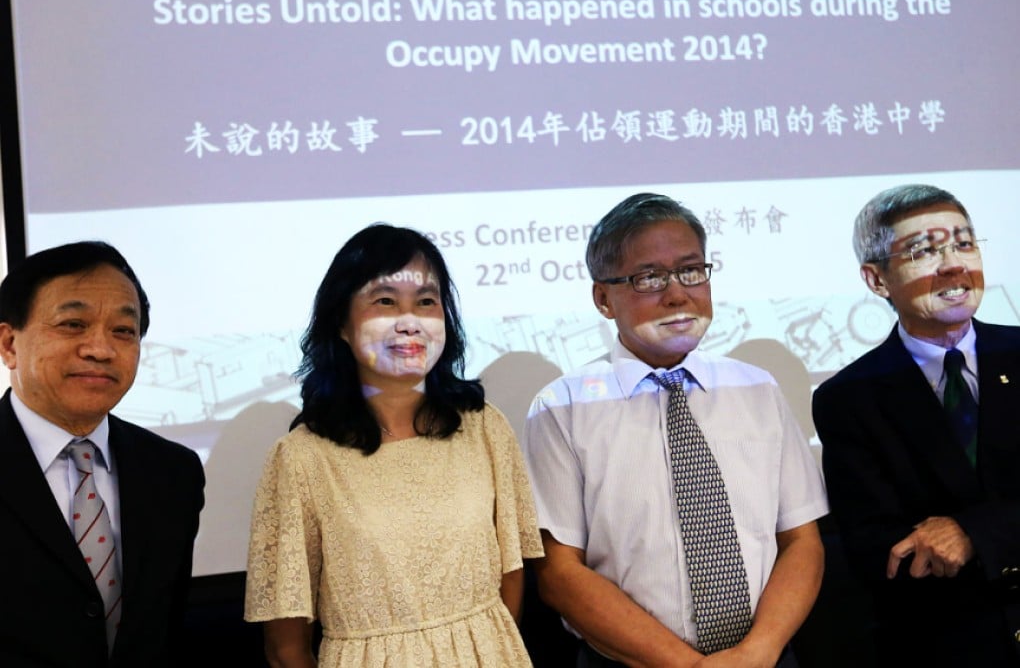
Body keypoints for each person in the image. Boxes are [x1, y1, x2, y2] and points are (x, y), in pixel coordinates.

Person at [522, 193, 828, 667]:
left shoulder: (757, 389)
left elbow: (801, 540)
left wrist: (759, 652)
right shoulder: (561, 407)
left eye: (691, 270)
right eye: (649, 277)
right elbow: (560, 573)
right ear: (603, 297)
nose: (677, 293)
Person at [244, 224, 543, 667]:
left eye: (426, 302)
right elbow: (286, 644)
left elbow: (511, 575)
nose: (409, 321)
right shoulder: (302, 457)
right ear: (341, 324)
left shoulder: (484, 428)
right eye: (385, 302)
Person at [812, 184, 1020, 666]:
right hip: (953, 645)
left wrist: (973, 533)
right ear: (877, 280)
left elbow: (955, 538)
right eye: (925, 251)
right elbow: (881, 553)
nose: (953, 265)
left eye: (964, 244)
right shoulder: (848, 398)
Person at [0, 241, 205, 667]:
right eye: (73, 324)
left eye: (123, 331)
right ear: (9, 343)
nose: (100, 349)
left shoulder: (174, 473)